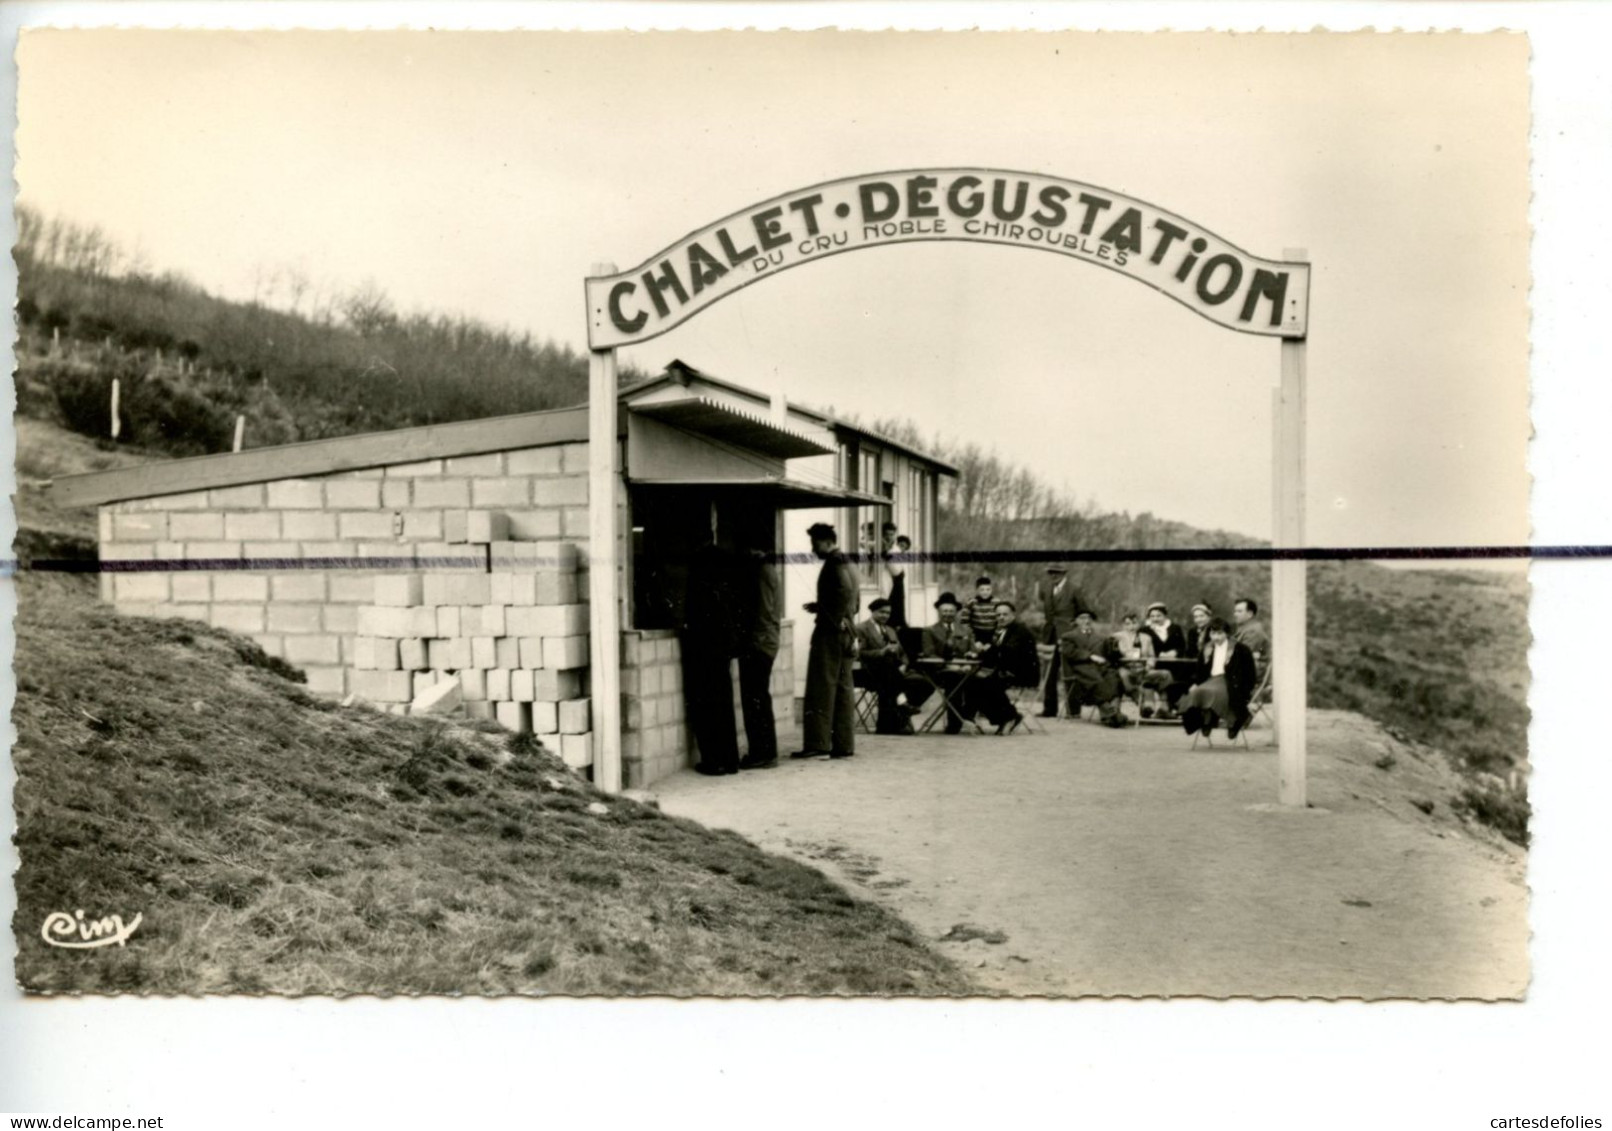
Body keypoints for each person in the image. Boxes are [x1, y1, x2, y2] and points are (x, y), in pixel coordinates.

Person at [794, 522, 860, 760]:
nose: (813, 549)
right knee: (843, 688)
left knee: (820, 687)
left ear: (825, 541)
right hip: (846, 632)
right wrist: (830, 611)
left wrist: (833, 618)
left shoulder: (833, 562)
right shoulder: (849, 562)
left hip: (830, 634)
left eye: (815, 543)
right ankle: (844, 744)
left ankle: (817, 743)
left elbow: (841, 592)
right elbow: (854, 597)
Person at [682, 533, 742, 776]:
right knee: (724, 706)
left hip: (702, 652)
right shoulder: (725, 585)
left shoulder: (699, 584)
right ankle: (729, 760)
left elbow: (692, 620)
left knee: (704, 706)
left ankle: (713, 760)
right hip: (722, 652)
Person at [736, 541, 781, 771]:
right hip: (767, 640)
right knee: (759, 698)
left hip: (760, 643)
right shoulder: (770, 568)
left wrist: (753, 641)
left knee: (755, 699)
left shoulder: (761, 571)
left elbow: (763, 609)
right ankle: (765, 751)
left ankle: (761, 752)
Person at [854, 597, 930, 734]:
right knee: (888, 675)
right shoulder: (861, 628)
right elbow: (859, 654)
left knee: (924, 681)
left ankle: (903, 712)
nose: (885, 616)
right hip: (869, 671)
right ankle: (902, 707)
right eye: (881, 612)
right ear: (872, 611)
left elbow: (902, 652)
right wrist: (882, 652)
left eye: (888, 613)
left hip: (892, 673)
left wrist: (905, 665)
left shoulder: (890, 630)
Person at [1181, 617, 1258, 740]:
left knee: (1213, 692)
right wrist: (1195, 683)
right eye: (1213, 633)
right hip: (1210, 680)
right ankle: (1205, 720)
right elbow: (1200, 671)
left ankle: (1232, 722)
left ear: (1227, 633)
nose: (1216, 637)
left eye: (1220, 633)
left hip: (1230, 682)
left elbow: (1250, 673)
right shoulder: (1207, 649)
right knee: (1197, 692)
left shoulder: (1240, 649)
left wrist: (1246, 689)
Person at [973, 600, 1039, 734]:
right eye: (998, 615)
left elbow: (1009, 652)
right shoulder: (1000, 631)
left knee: (985, 683)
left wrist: (988, 649)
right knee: (974, 681)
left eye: (1005, 614)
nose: (1001, 618)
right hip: (1006, 670)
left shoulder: (1020, 630)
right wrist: (978, 652)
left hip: (1022, 673)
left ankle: (1008, 717)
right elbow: (997, 653)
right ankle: (1007, 717)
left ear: (1013, 615)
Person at [920, 592, 978, 734]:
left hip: (966, 669)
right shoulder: (930, 631)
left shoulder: (966, 630)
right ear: (939, 612)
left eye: (951, 611)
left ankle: (968, 716)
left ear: (956, 612)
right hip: (940, 671)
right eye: (945, 611)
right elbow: (929, 653)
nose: (948, 614)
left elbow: (973, 650)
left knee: (979, 680)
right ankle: (955, 723)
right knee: (954, 679)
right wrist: (948, 665)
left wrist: (969, 659)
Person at [1058, 610, 1126, 727]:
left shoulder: (1101, 637)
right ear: (1076, 621)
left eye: (1089, 618)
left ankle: (1112, 713)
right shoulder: (1069, 636)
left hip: (1101, 667)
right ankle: (1111, 713)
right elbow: (1069, 652)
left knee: (1113, 677)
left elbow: (1110, 654)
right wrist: (1090, 656)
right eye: (1082, 618)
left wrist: (1116, 648)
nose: (1087, 621)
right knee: (1096, 680)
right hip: (1080, 668)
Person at [1038, 564, 1084, 717]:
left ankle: (1074, 710)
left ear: (1064, 573)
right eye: (1051, 572)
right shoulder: (1045, 588)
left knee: (1069, 672)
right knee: (1049, 673)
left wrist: (1074, 626)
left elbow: (1084, 611)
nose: (1053, 575)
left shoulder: (1074, 589)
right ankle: (1049, 709)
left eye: (1057, 573)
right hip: (1049, 636)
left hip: (1068, 637)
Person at [1140, 602, 1188, 714]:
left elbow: (1182, 646)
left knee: (1180, 677)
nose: (1155, 619)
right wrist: (1158, 654)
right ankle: (1163, 706)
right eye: (1152, 616)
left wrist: (1175, 652)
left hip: (1174, 664)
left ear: (1165, 615)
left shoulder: (1175, 628)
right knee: (1159, 677)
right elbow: (1142, 649)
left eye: (1158, 616)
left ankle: (1171, 706)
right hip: (1156, 664)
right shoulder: (1145, 630)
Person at [1110, 611, 1151, 699]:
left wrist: (1149, 665)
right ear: (1123, 625)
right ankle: (1134, 694)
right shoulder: (1116, 637)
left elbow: (1152, 656)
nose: (1131, 627)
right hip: (1125, 667)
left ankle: (1147, 704)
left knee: (1157, 677)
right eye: (1127, 624)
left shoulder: (1146, 638)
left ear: (1139, 624)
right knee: (1123, 675)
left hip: (1142, 668)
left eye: (1134, 623)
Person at [1233, 598, 1270, 682]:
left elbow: (1242, 657)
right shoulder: (1245, 629)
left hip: (1250, 673)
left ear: (1250, 614)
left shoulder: (1253, 631)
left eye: (1239, 611)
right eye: (1235, 611)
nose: (1235, 614)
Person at [962, 576, 1000, 644]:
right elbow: (965, 621)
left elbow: (1000, 621)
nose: (985, 592)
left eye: (988, 589)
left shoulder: (997, 602)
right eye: (982, 590)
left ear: (992, 590)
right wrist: (972, 637)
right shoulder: (971, 602)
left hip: (992, 633)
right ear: (977, 590)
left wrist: (995, 636)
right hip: (976, 634)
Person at [885, 531, 910, 629]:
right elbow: (896, 571)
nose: (901, 548)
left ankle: (899, 622)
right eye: (900, 545)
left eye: (904, 547)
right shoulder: (892, 552)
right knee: (894, 603)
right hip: (894, 583)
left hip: (900, 584)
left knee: (899, 603)